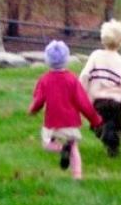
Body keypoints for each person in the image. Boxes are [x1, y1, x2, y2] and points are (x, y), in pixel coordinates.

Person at [29, 40, 103, 180]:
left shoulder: (44, 80)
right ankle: (77, 176)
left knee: (47, 143)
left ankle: (60, 148)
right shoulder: (72, 80)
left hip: (52, 122)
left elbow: (39, 100)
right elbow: (83, 102)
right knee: (74, 148)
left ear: (47, 60)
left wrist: (33, 110)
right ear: (66, 59)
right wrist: (95, 119)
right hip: (71, 121)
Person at [79, 20, 121, 157]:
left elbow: (85, 75)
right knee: (117, 127)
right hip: (117, 103)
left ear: (102, 39)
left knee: (97, 124)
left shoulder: (95, 56)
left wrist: (80, 92)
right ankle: (113, 147)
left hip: (99, 102)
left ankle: (102, 130)